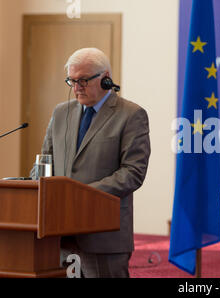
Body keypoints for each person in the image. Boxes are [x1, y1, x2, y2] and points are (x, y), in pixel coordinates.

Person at [38, 48, 151, 277]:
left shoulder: (131, 115)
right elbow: (44, 163)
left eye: (83, 80)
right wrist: (34, 187)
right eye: (71, 80)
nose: (76, 87)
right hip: (60, 233)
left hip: (104, 236)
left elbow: (132, 172)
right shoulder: (61, 113)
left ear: (106, 78)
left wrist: (82, 195)